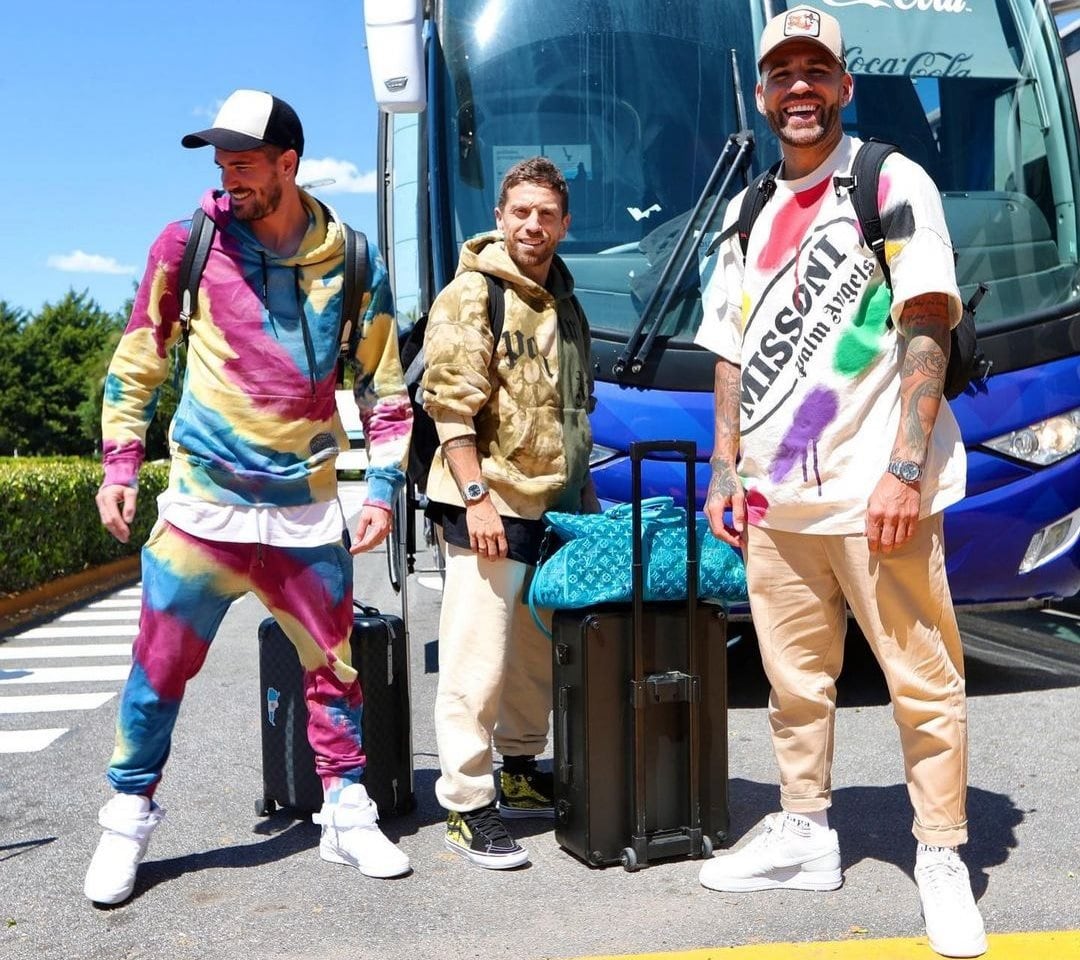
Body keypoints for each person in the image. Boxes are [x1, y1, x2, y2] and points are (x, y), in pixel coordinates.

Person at [695, 9, 986, 958]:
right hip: (779, 504)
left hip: (877, 495)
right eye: (784, 73)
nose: (801, 88)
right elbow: (732, 352)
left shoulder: (889, 181)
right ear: (763, 93)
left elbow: (927, 321)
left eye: (817, 70)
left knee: (922, 681)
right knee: (793, 684)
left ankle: (940, 854)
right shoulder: (744, 212)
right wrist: (726, 469)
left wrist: (906, 468)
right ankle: (805, 830)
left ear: (844, 86)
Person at [84, 89, 414, 905]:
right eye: (221, 163)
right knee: (157, 672)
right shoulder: (189, 242)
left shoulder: (355, 262)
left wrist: (382, 484)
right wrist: (120, 463)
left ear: (289, 164)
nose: (228, 178)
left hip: (305, 511)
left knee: (335, 672)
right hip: (203, 509)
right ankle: (127, 813)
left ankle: (344, 808)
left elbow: (385, 386)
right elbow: (138, 362)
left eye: (244, 163)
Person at [421, 156, 597, 869]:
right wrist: (476, 498)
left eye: (546, 214)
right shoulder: (472, 294)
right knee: (476, 660)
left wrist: (581, 500)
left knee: (531, 655)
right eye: (520, 211)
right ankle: (466, 802)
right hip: (485, 502)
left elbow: (575, 410)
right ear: (499, 217)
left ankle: (521, 770)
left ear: (564, 223)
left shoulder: (566, 299)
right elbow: (449, 406)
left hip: (550, 505)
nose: (533, 224)